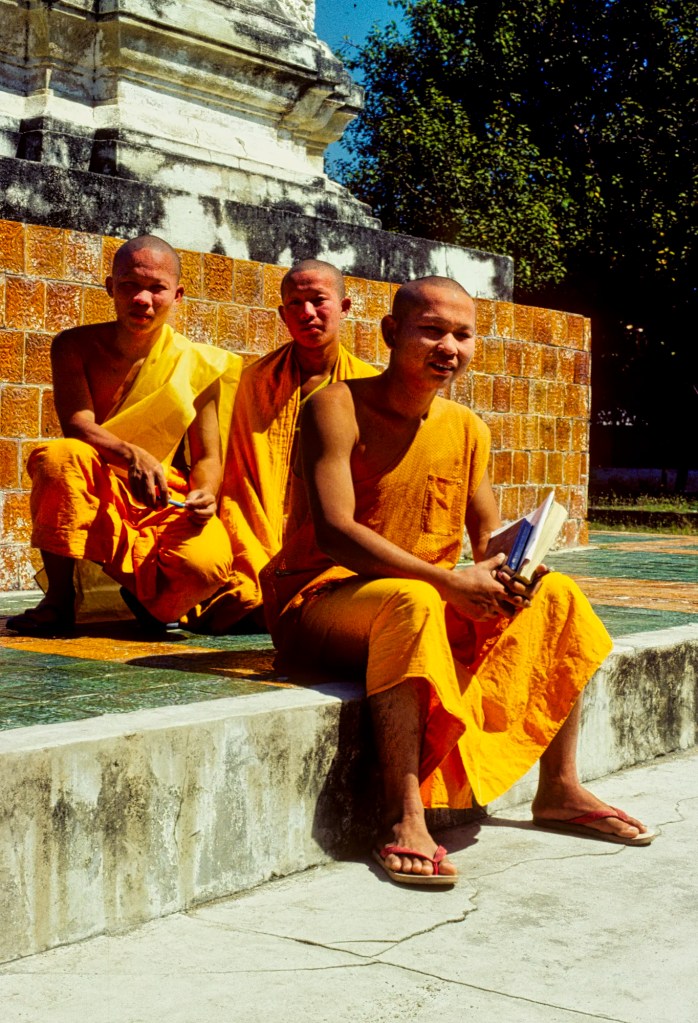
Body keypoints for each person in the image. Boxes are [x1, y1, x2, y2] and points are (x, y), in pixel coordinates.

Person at [261, 275, 656, 886]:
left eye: (463, 335)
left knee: (555, 594)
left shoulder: (467, 426)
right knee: (415, 600)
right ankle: (402, 815)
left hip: (424, 591)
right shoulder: (334, 405)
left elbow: (487, 534)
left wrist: (516, 564)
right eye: (432, 330)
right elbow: (336, 531)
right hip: (324, 599)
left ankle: (559, 787)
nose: (449, 347)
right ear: (392, 333)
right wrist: (447, 582)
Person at [7, 235, 241, 635]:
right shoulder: (74, 346)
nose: (142, 299)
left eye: (156, 288)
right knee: (59, 456)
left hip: (160, 495)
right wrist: (132, 454)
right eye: (130, 285)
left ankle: (148, 598)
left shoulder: (197, 363)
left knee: (208, 567)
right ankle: (59, 600)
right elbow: (77, 424)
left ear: (177, 294)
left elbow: (206, 457)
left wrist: (205, 494)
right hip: (97, 485)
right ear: (110, 287)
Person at [182, 259, 377, 633]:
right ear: (281, 313)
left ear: (344, 307)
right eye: (294, 304)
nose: (307, 314)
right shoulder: (250, 382)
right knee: (244, 590)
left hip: (331, 530)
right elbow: (228, 469)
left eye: (318, 301)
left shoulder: (369, 389)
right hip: (257, 527)